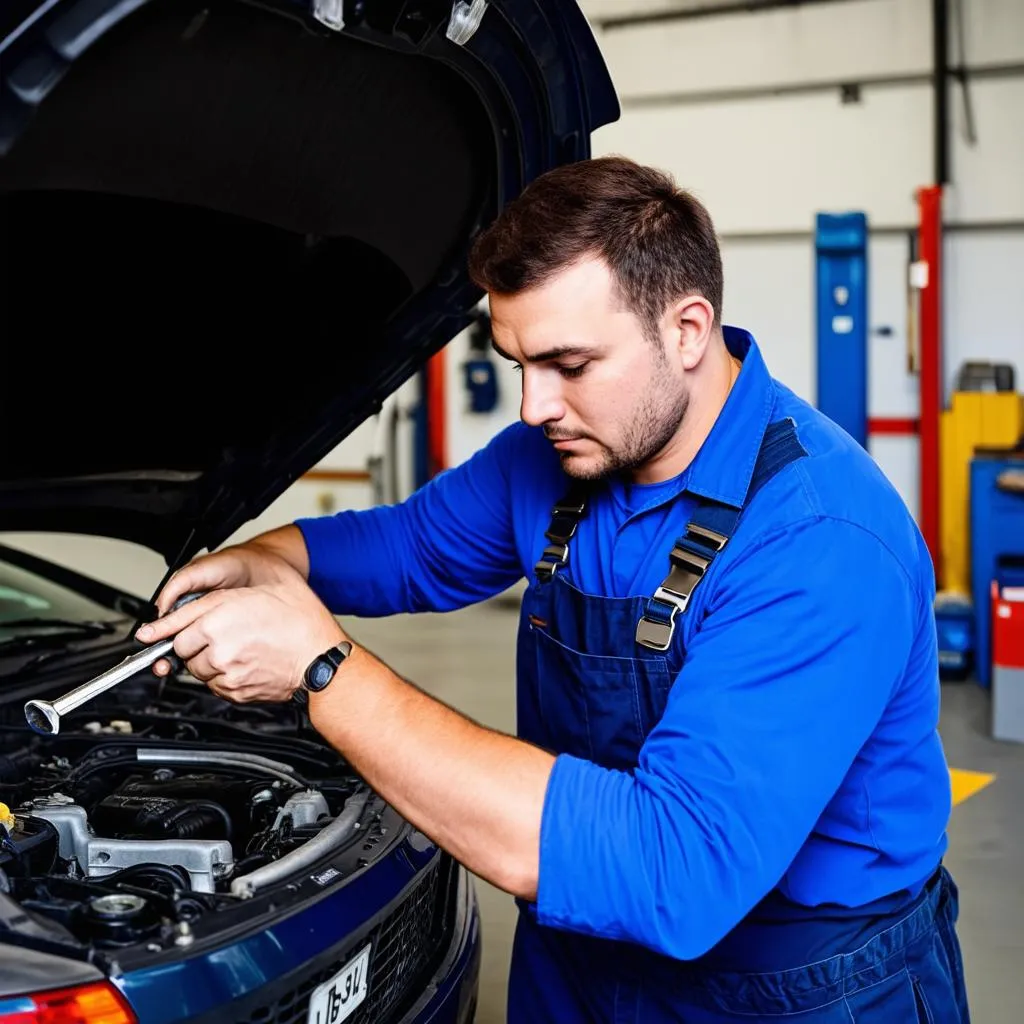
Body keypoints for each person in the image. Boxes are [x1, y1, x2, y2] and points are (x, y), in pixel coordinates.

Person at [138, 156, 969, 1022]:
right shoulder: (558, 455)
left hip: (791, 984)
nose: (533, 405)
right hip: (577, 955)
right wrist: (267, 561)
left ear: (687, 330)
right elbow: (410, 546)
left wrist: (323, 671)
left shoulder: (821, 540)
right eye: (518, 362)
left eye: (569, 363)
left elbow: (673, 869)